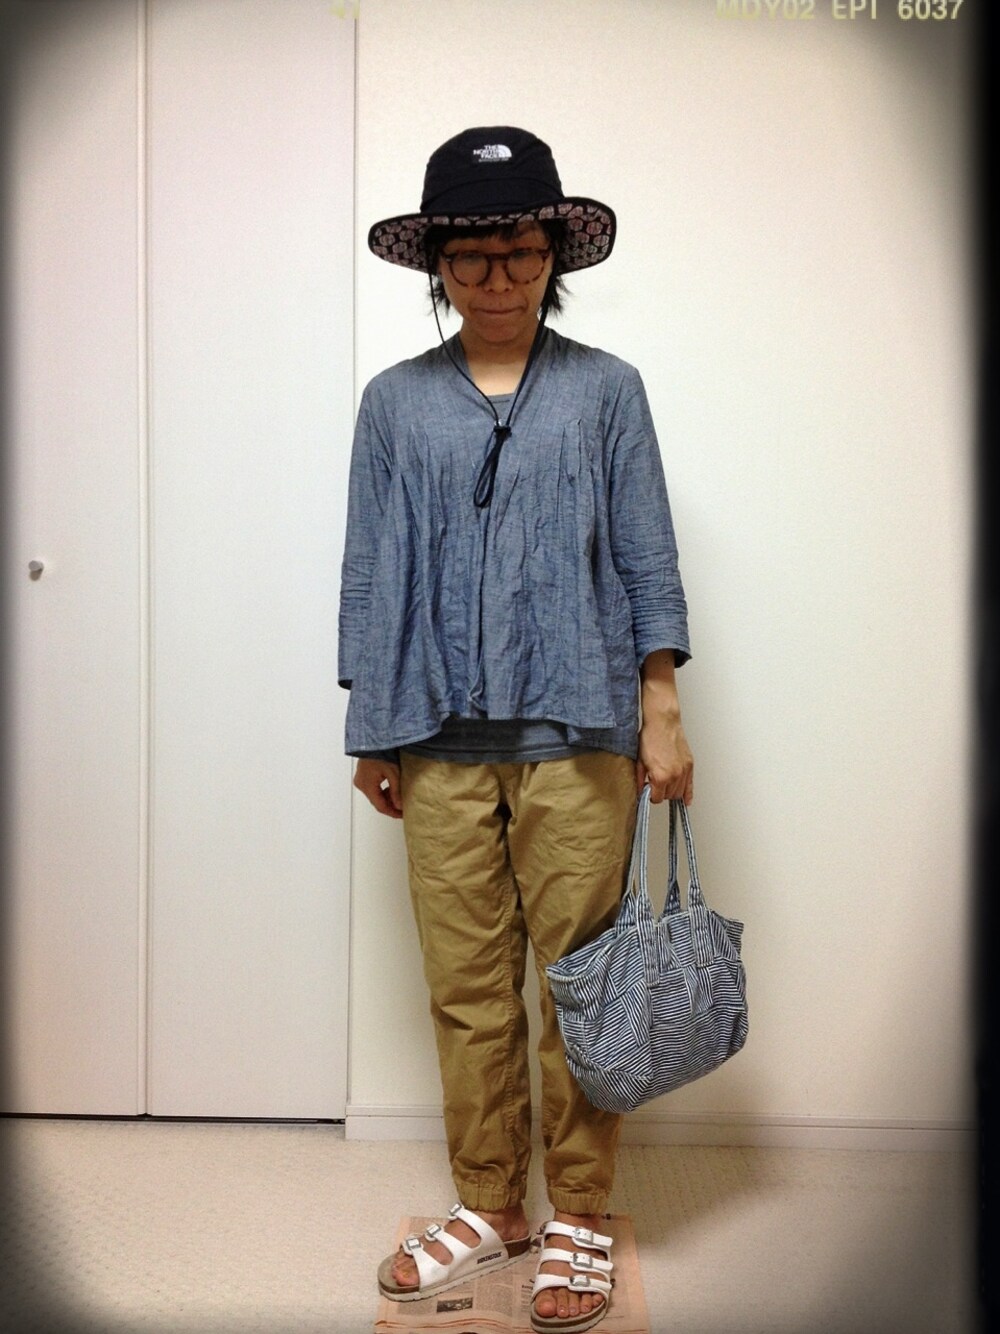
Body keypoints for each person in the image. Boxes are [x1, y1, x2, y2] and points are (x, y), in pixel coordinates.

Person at [339, 126, 693, 1334]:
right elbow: (370, 566)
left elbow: (646, 548)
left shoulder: (607, 390)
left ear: (555, 255)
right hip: (434, 734)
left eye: (521, 251)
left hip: (580, 731)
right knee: (466, 989)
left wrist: (659, 704)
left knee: (580, 986)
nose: (499, 277)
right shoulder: (394, 404)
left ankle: (578, 1210)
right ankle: (490, 1201)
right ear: (437, 265)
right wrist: (371, 726)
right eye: (473, 256)